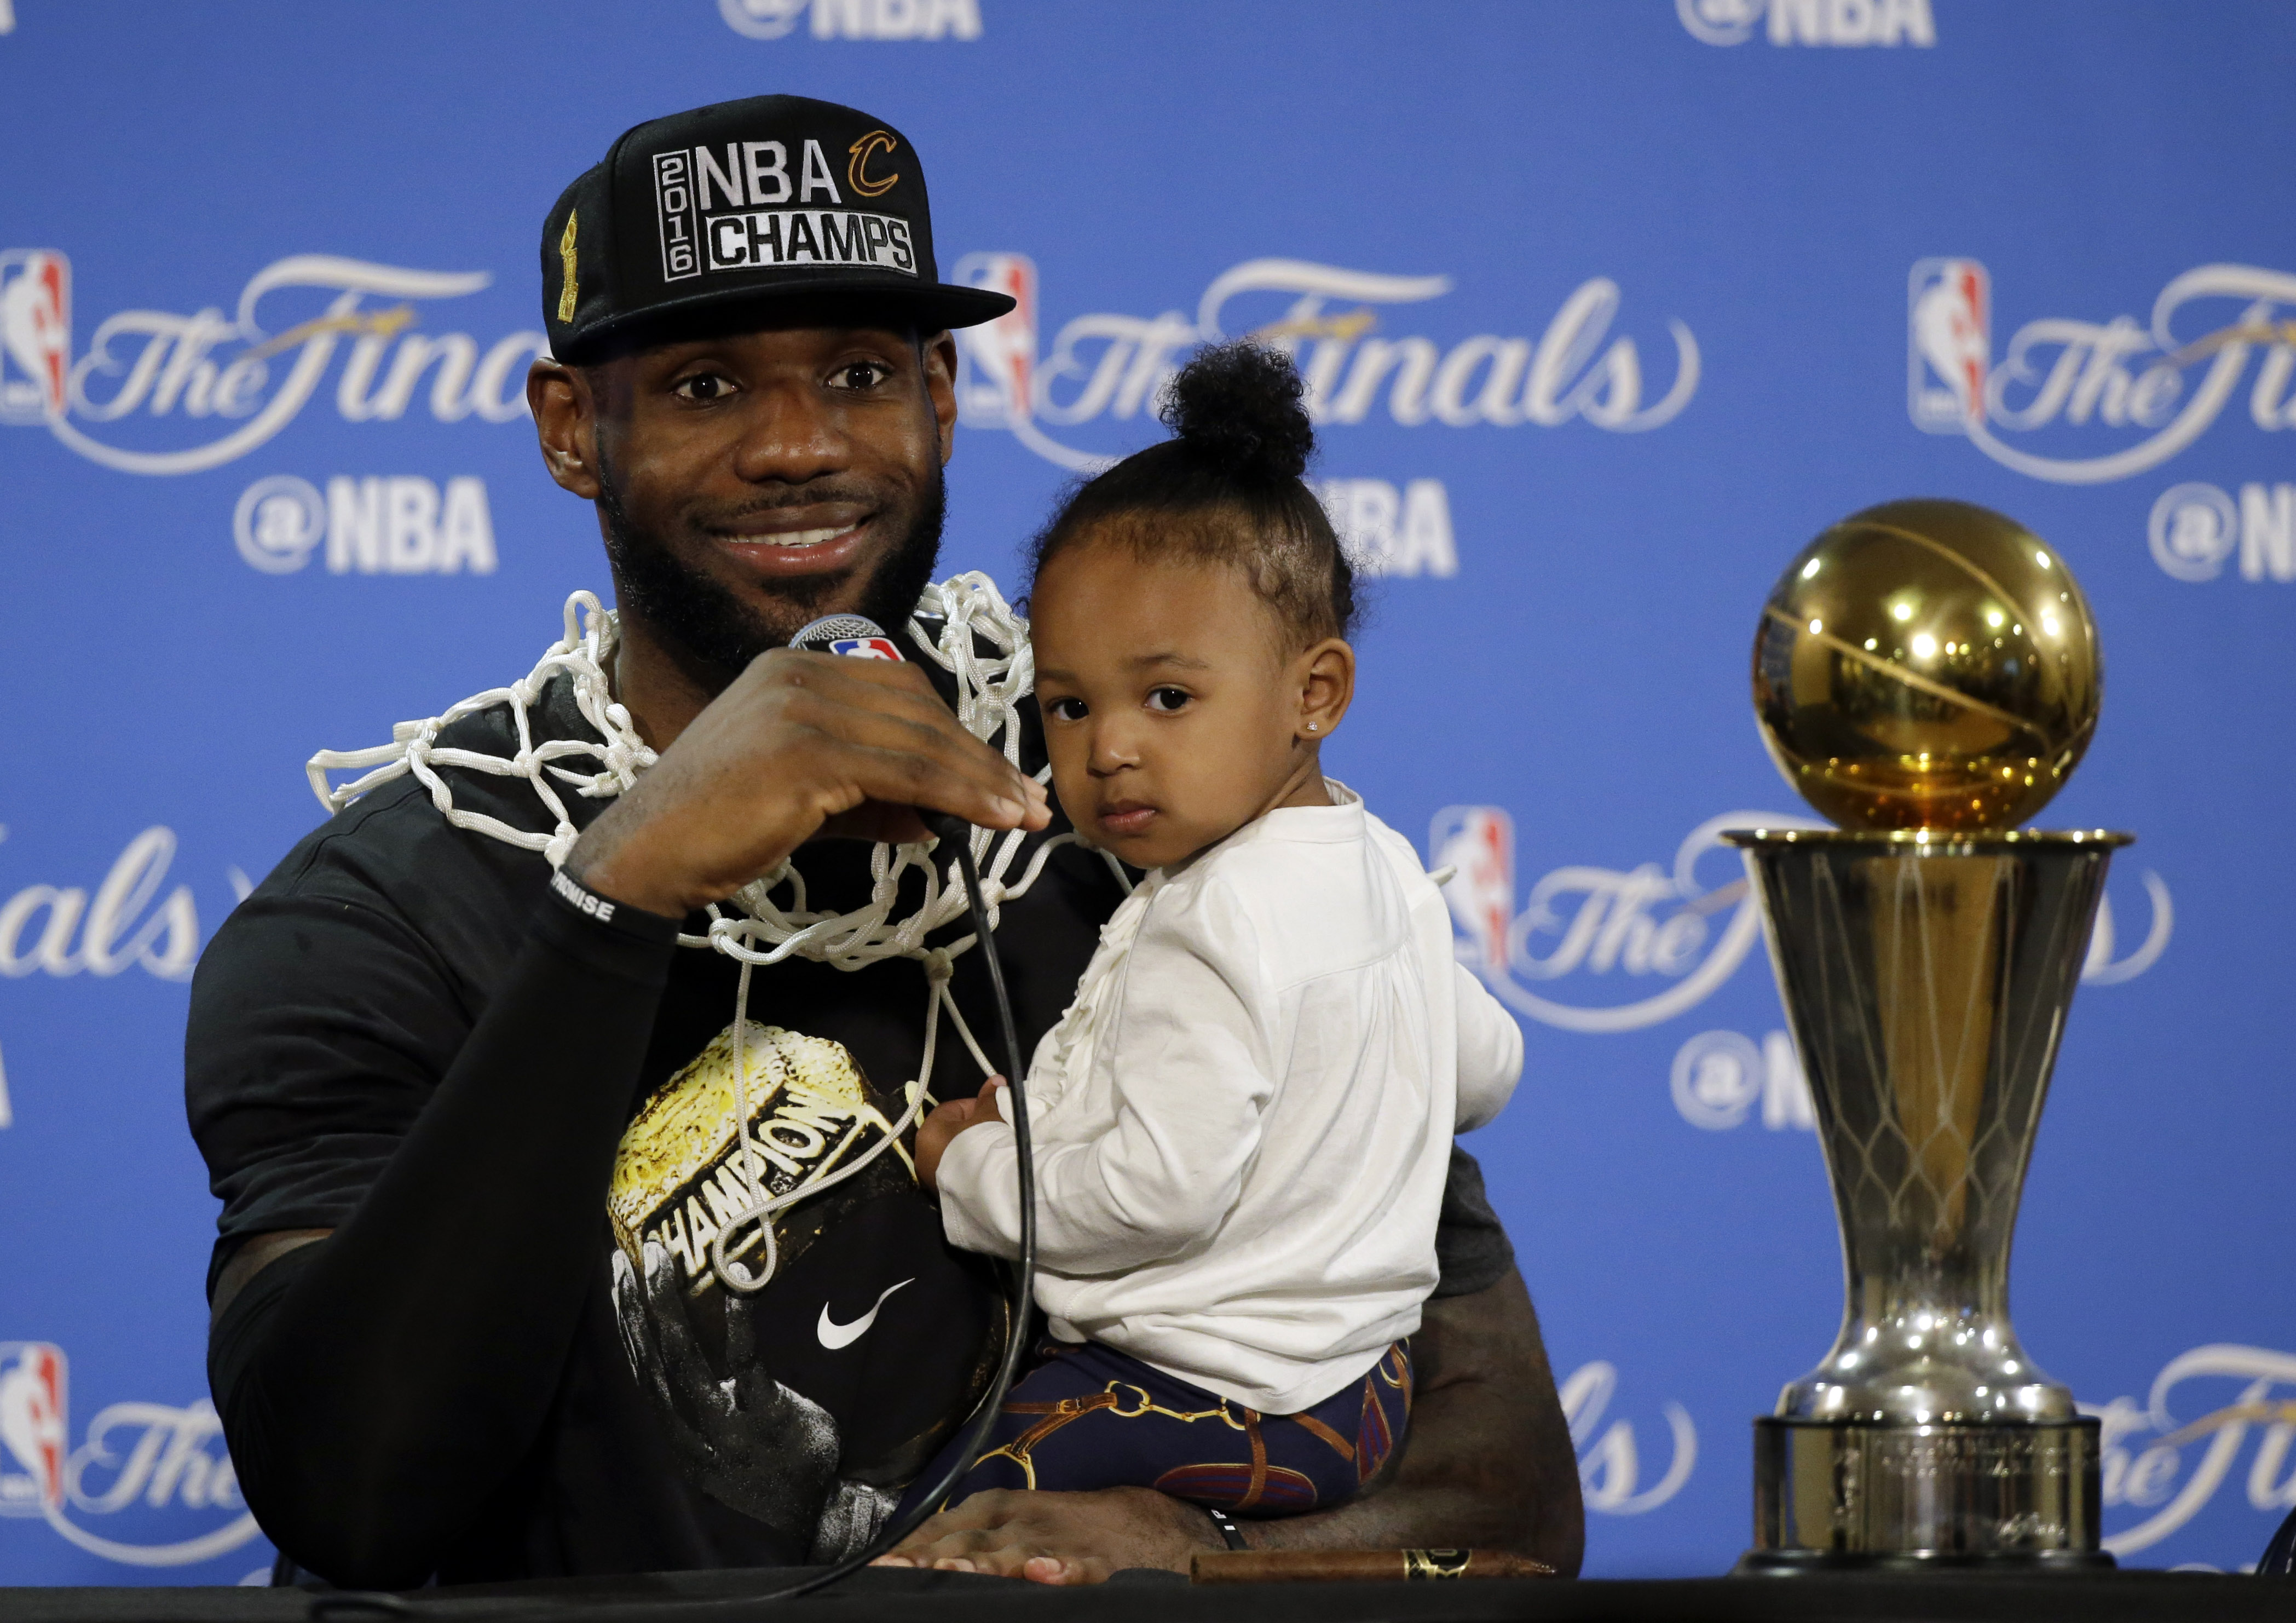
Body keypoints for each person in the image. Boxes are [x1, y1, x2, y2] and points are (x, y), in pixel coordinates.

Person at [185, 92, 1584, 1591]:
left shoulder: (1161, 826)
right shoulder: (382, 910)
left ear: (941, 396)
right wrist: (621, 892)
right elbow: (353, 1496)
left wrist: (1190, 1546)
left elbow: (1501, 1496)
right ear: (571, 429)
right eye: (708, 384)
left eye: (857, 373)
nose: (796, 445)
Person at [898, 343, 1522, 1529]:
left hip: (1225, 1398)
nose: (1109, 747)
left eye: (1168, 698)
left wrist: (970, 1170)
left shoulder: (1214, 919)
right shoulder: (1387, 866)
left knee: (945, 1528)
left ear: (1316, 693)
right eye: (1069, 705)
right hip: (1373, 1389)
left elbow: (1153, 1197)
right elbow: (1486, 1067)